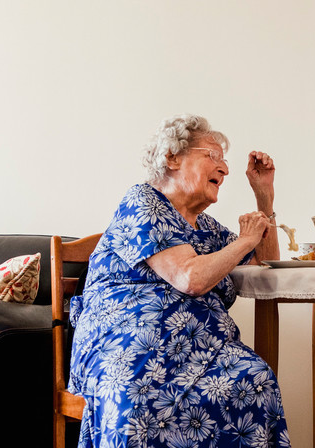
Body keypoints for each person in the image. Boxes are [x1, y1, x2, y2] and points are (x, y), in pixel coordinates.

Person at [68, 114, 290, 447]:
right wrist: (245, 240)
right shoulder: (142, 202)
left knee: (255, 377)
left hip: (203, 349)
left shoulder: (208, 227)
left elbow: (265, 260)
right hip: (130, 344)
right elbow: (190, 278)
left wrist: (265, 198)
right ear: (172, 158)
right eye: (212, 156)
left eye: (225, 161)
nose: (225, 169)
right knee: (140, 397)